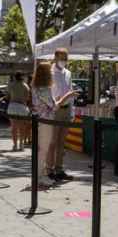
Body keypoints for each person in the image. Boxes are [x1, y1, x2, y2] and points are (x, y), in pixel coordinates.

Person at [32, 62, 77, 187]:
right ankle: (40, 177)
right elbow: (54, 106)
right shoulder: (44, 89)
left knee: (43, 150)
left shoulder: (37, 87)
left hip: (42, 121)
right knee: (43, 150)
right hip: (45, 122)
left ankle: (41, 175)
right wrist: (67, 95)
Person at [50, 49, 74, 181]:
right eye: (62, 57)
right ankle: (49, 169)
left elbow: (70, 91)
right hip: (55, 109)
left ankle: (59, 169)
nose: (64, 60)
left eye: (66, 57)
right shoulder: (50, 72)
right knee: (53, 142)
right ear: (55, 57)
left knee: (61, 142)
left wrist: (71, 111)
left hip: (66, 109)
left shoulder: (68, 73)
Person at [6, 72, 32, 152]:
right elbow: (27, 98)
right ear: (22, 77)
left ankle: (15, 145)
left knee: (14, 127)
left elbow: (8, 96)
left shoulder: (10, 85)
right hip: (22, 107)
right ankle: (21, 144)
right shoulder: (26, 86)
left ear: (15, 77)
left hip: (12, 106)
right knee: (22, 127)